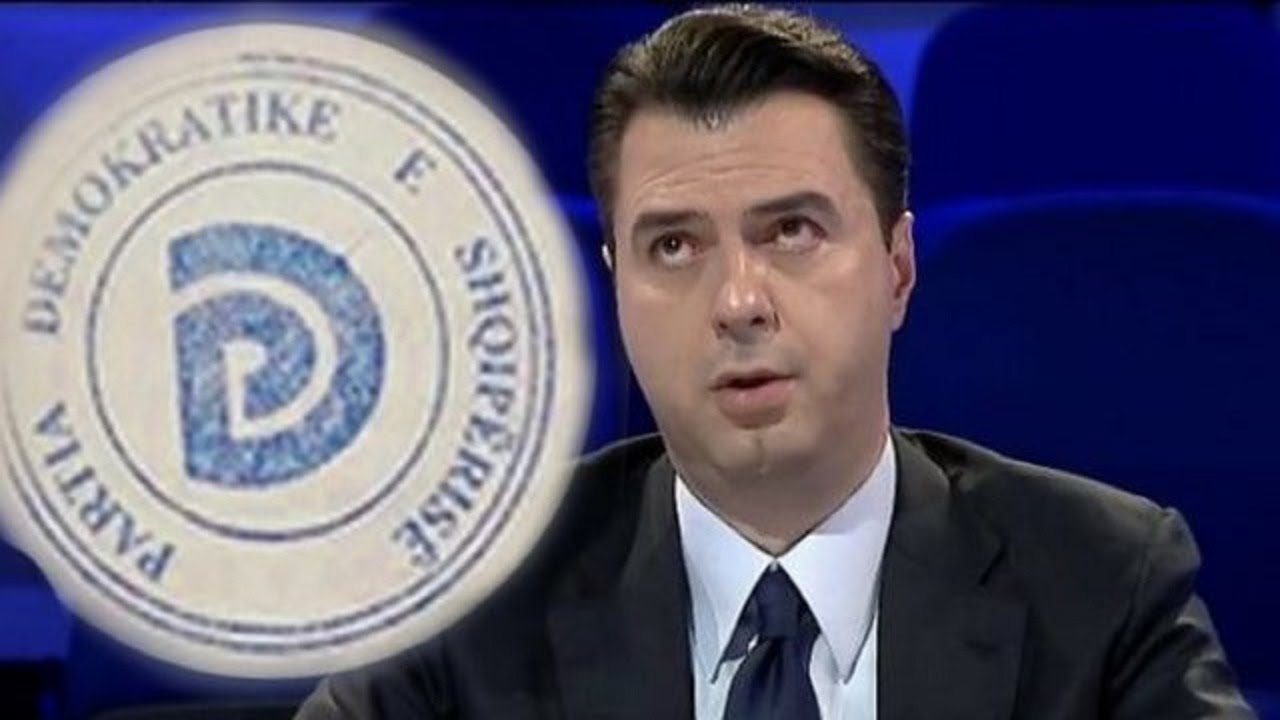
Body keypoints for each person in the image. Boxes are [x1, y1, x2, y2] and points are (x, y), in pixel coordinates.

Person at [296, 5, 1255, 718]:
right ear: (615, 285)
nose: (737, 301)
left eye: (791, 231)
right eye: (674, 246)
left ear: (897, 268)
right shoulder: (468, 605)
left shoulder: (1101, 585)